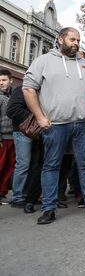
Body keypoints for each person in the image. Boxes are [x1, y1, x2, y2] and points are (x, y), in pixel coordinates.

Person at [22, 27, 85, 224]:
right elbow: (28, 88)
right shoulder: (43, 61)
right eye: (72, 39)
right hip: (55, 125)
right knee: (51, 165)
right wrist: (39, 117)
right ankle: (49, 208)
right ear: (60, 39)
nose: (76, 43)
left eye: (78, 40)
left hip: (84, 125)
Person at [0, 68, 15, 204]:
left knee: (10, 166)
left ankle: (2, 193)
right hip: (2, 138)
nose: (1, 83)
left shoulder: (11, 96)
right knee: (0, 165)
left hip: (12, 137)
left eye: (4, 80)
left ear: (11, 81)